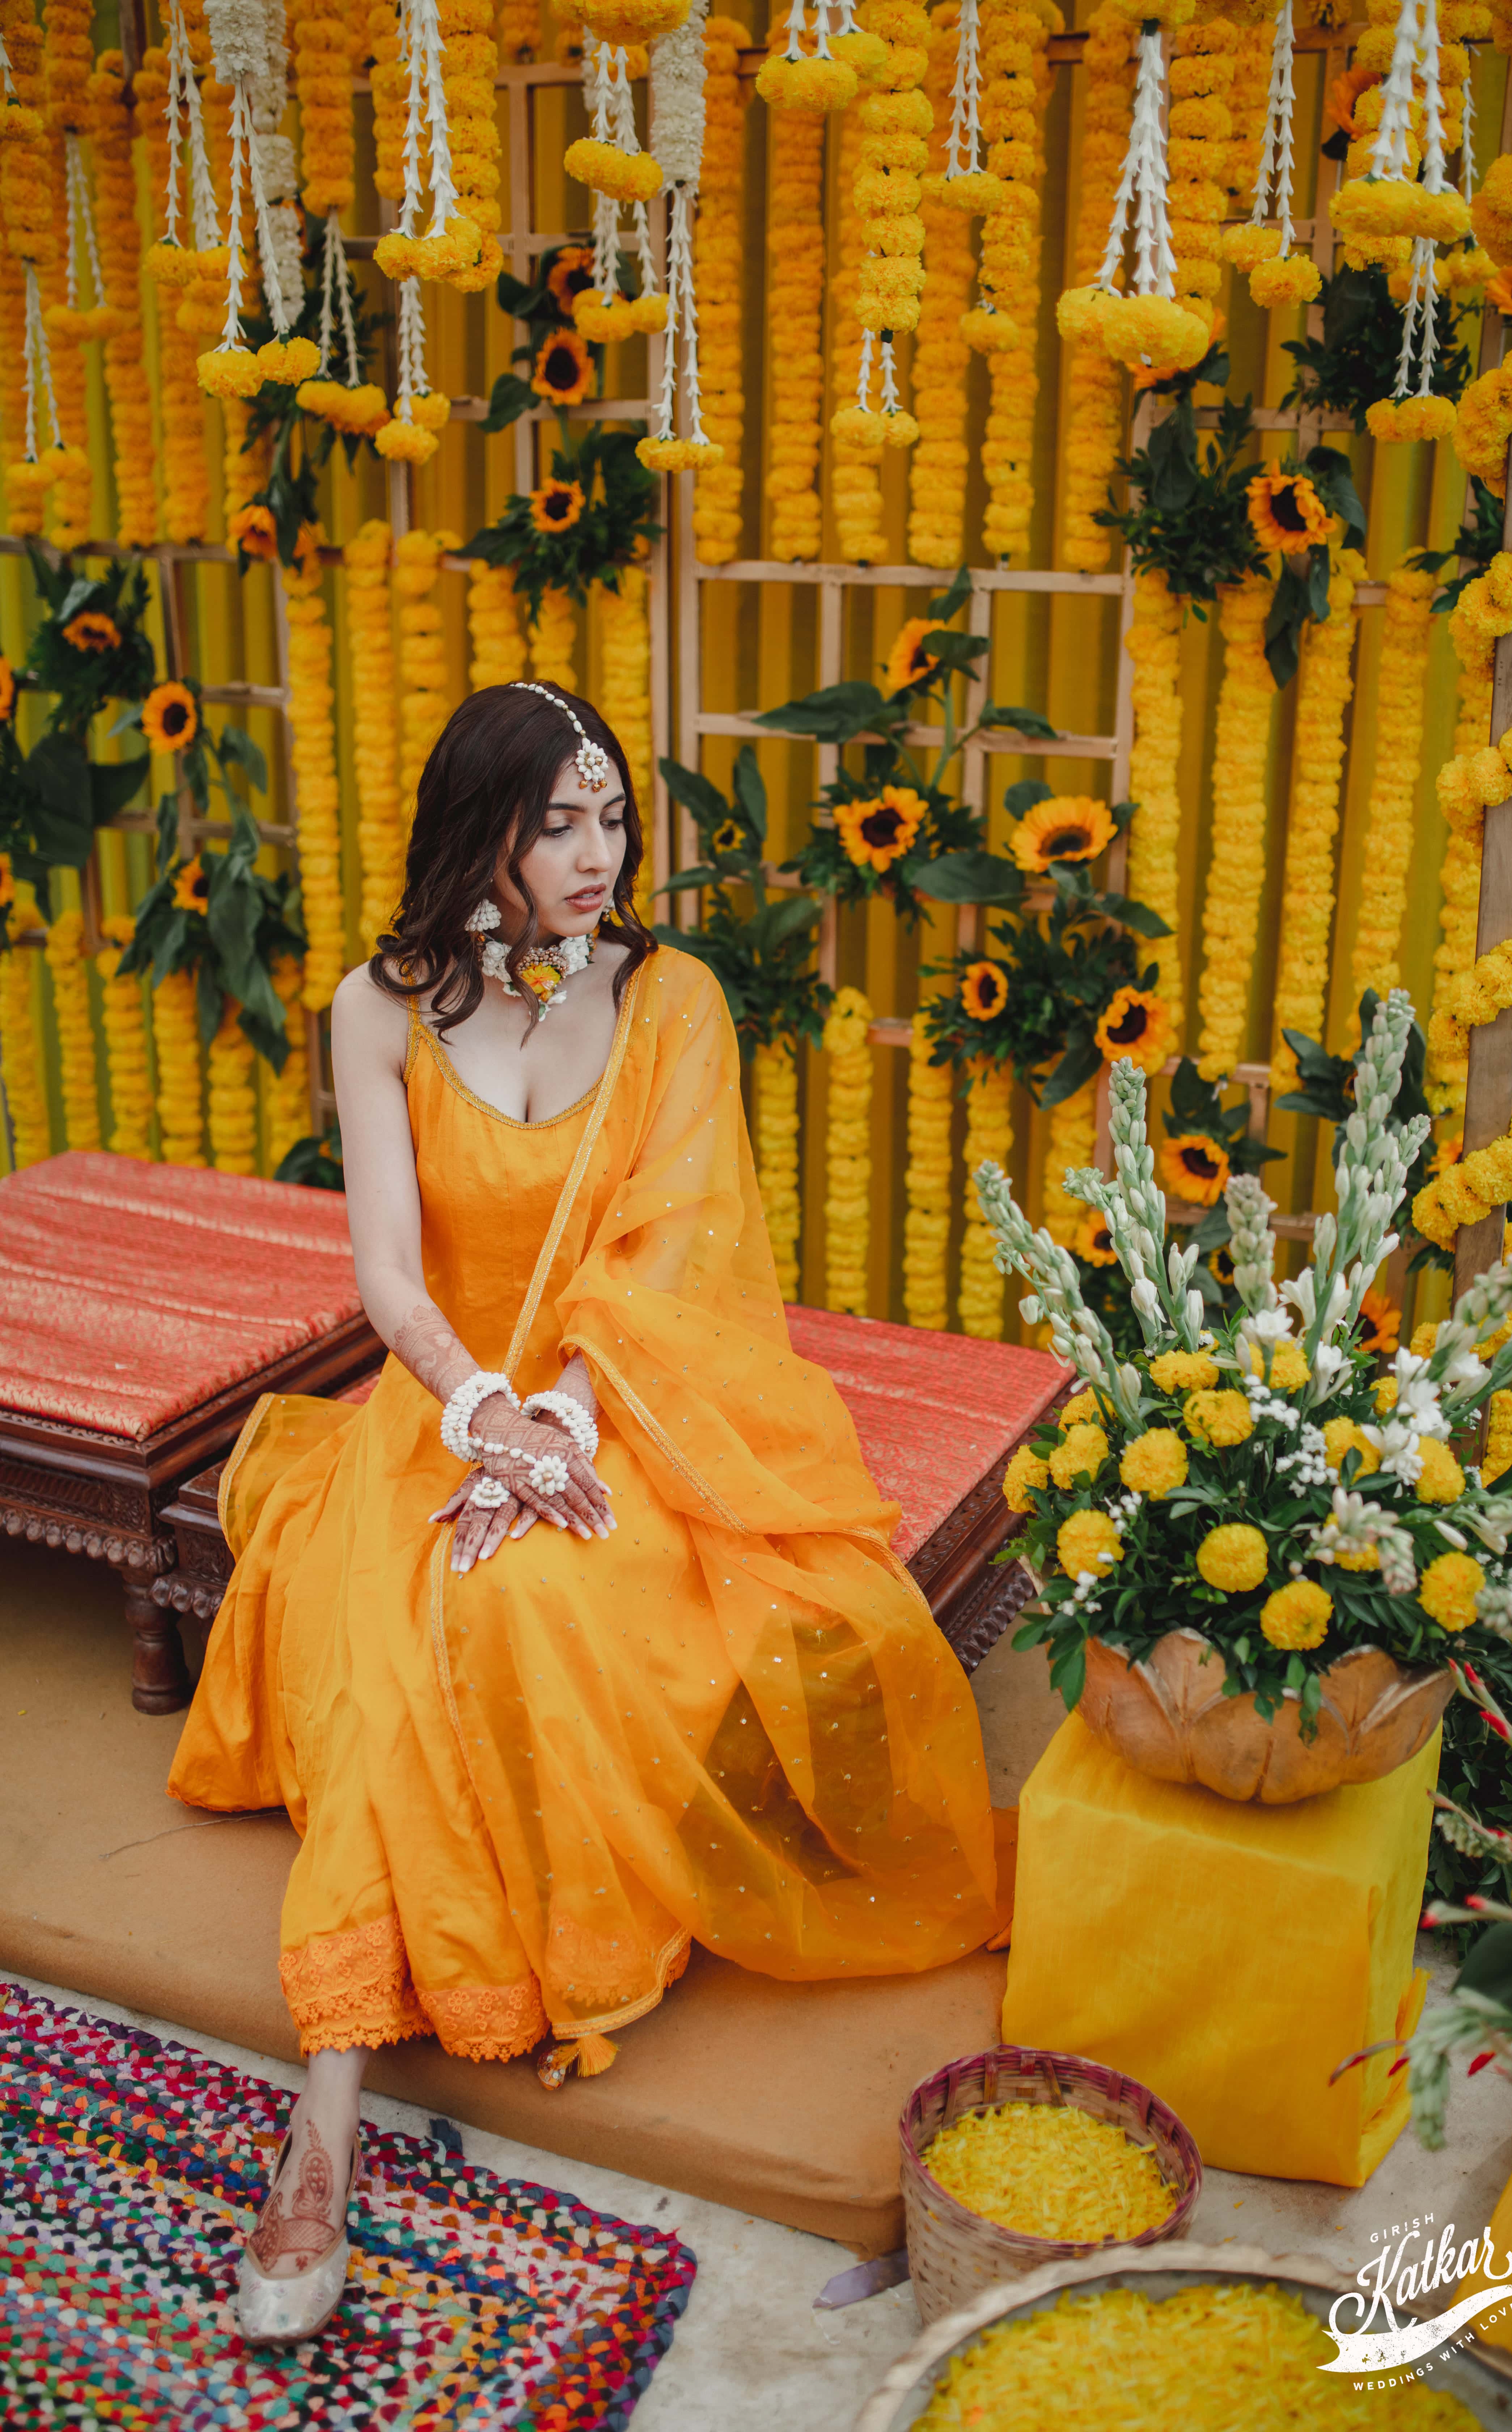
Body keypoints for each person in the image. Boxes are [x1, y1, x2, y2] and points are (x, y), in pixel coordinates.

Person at [168, 681, 1007, 2345]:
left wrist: (562, 1433)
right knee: (435, 1609)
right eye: (555, 818)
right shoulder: (380, 1004)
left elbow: (676, 1274)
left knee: (525, 1603)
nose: (592, 852)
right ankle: (324, 2119)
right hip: (439, 1414)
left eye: (610, 817)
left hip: (633, 1415)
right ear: (474, 824)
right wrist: (481, 1422)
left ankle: (357, 2098)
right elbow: (391, 1280)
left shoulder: (671, 995)